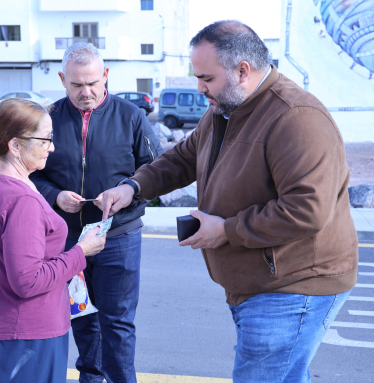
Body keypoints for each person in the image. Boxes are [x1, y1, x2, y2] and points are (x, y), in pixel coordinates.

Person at [99, 21, 359, 383]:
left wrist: (226, 230)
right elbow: (182, 158)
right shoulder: (226, 108)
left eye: (206, 78)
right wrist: (134, 186)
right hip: (260, 283)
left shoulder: (297, 117)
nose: (200, 87)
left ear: (242, 70)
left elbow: (307, 209)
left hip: (292, 285)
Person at [29, 43, 162, 383]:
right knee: (82, 317)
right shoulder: (48, 120)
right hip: (68, 240)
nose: (86, 92)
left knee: (116, 321)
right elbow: (31, 174)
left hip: (119, 236)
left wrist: (126, 194)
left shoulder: (132, 116)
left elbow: (156, 172)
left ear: (105, 75)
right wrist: (56, 197)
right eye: (77, 85)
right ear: (62, 79)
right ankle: (90, 377)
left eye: (92, 82)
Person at [0, 98, 106, 383]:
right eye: (45, 139)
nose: (51, 147)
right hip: (27, 334)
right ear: (15, 145)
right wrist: (81, 251)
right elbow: (28, 280)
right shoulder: (21, 199)